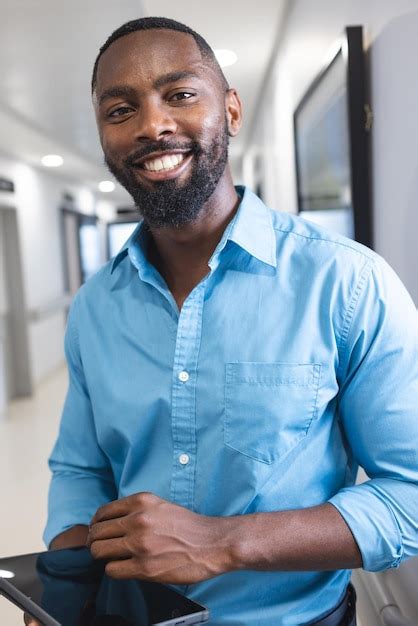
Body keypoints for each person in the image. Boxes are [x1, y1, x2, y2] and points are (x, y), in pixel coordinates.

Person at [26, 16, 418, 626]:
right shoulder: (96, 306)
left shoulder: (347, 284)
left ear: (231, 111)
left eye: (180, 95)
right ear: (104, 138)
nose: (152, 126)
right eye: (120, 109)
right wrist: (68, 586)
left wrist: (220, 542)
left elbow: (411, 497)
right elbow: (82, 470)